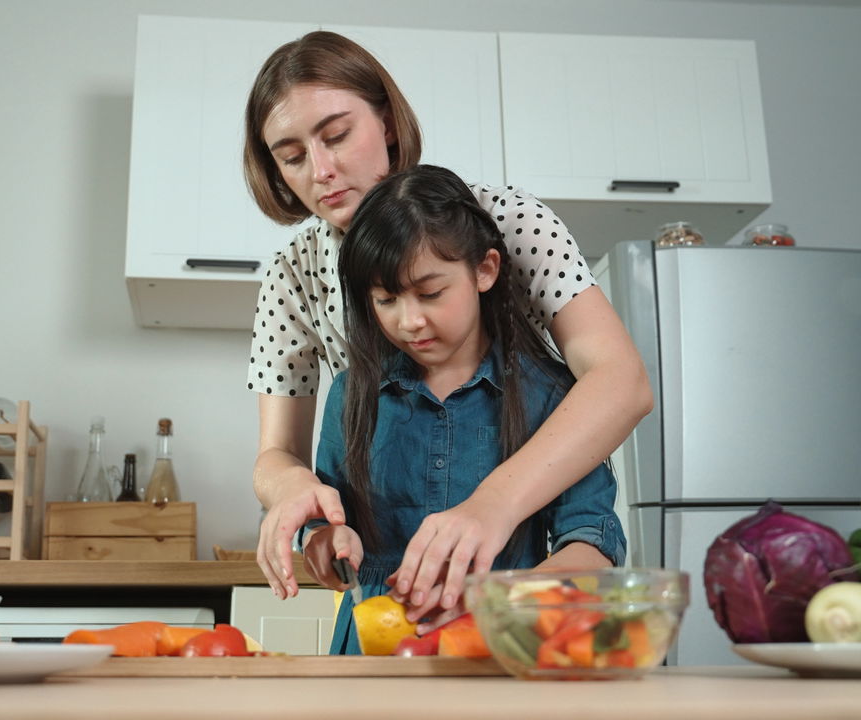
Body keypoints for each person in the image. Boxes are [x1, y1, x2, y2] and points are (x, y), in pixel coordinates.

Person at [246, 31, 652, 628]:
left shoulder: (505, 221)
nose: (322, 171)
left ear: (386, 121)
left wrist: (491, 508)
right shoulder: (292, 275)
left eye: (336, 136)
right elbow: (277, 454)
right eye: (292, 155)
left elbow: (621, 383)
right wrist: (290, 497)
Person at [306, 165, 626, 654]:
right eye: (386, 300)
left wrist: (504, 600)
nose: (410, 321)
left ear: (484, 270)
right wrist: (325, 543)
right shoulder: (351, 396)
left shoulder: (550, 394)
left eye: (431, 293)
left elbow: (593, 541)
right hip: (371, 658)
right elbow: (323, 520)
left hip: (499, 650)